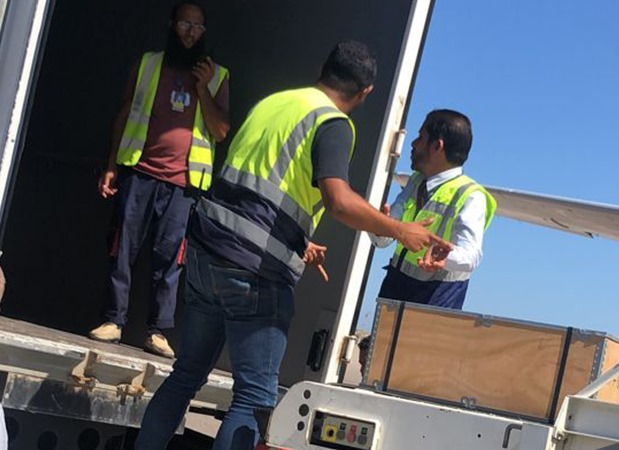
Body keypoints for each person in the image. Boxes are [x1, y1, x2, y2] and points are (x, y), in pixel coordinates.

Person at [135, 40, 450, 450]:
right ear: (366, 92)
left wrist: (298, 239)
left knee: (186, 375)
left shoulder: (275, 103)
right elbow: (337, 199)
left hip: (206, 248)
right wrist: (399, 229)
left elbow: (265, 183)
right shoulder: (333, 122)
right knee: (253, 398)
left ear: (324, 69)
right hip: (253, 269)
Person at [89, 1, 230, 358]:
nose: (191, 33)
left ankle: (158, 331)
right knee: (123, 248)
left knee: (171, 259)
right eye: (185, 24)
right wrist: (111, 164)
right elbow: (125, 112)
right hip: (140, 172)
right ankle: (113, 320)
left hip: (183, 184)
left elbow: (220, 130)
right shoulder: (149, 64)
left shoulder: (218, 76)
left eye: (198, 27)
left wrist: (203, 88)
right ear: (172, 25)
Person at [370, 110, 496, 310]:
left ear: (437, 146)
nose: (413, 144)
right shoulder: (416, 181)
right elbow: (382, 241)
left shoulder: (470, 196)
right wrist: (380, 224)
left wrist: (445, 257)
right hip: (394, 292)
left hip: (435, 303)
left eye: (420, 138)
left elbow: (472, 255)